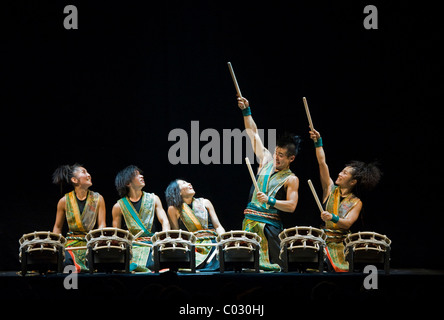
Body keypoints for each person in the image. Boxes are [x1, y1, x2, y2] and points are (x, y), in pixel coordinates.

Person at [237, 96, 300, 271]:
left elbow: (291, 206)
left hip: (270, 227)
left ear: (291, 158)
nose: (276, 157)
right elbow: (253, 133)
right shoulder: (266, 160)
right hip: (249, 222)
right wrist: (246, 110)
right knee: (245, 266)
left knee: (274, 267)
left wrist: (270, 200)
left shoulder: (291, 179)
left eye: (281, 155)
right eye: (276, 152)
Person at [309, 128, 382, 272]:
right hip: (323, 241)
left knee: (341, 269)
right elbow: (322, 163)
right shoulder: (329, 188)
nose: (339, 174)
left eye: (345, 173)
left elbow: (347, 223)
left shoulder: (356, 202)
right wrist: (318, 143)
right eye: (342, 171)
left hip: (341, 244)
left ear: (353, 181)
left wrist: (332, 217)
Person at [112, 165, 170, 272]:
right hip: (132, 246)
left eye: (140, 174)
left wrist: (165, 239)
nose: (141, 176)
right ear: (128, 183)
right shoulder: (118, 206)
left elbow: (164, 221)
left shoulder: (154, 199)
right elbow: (117, 234)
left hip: (152, 244)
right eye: (136, 175)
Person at [52, 163, 106, 272]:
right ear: (74, 180)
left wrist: (98, 241)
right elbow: (57, 227)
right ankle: (71, 287)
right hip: (71, 244)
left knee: (100, 263)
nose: (89, 175)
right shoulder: (64, 201)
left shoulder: (98, 198)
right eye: (84, 172)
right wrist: (58, 246)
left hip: (90, 242)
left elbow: (101, 225)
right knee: (66, 264)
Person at [165, 179, 225, 271]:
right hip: (193, 245)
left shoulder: (205, 202)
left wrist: (223, 240)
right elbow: (177, 234)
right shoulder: (174, 209)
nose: (189, 183)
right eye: (184, 183)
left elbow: (218, 226)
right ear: (178, 192)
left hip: (213, 243)